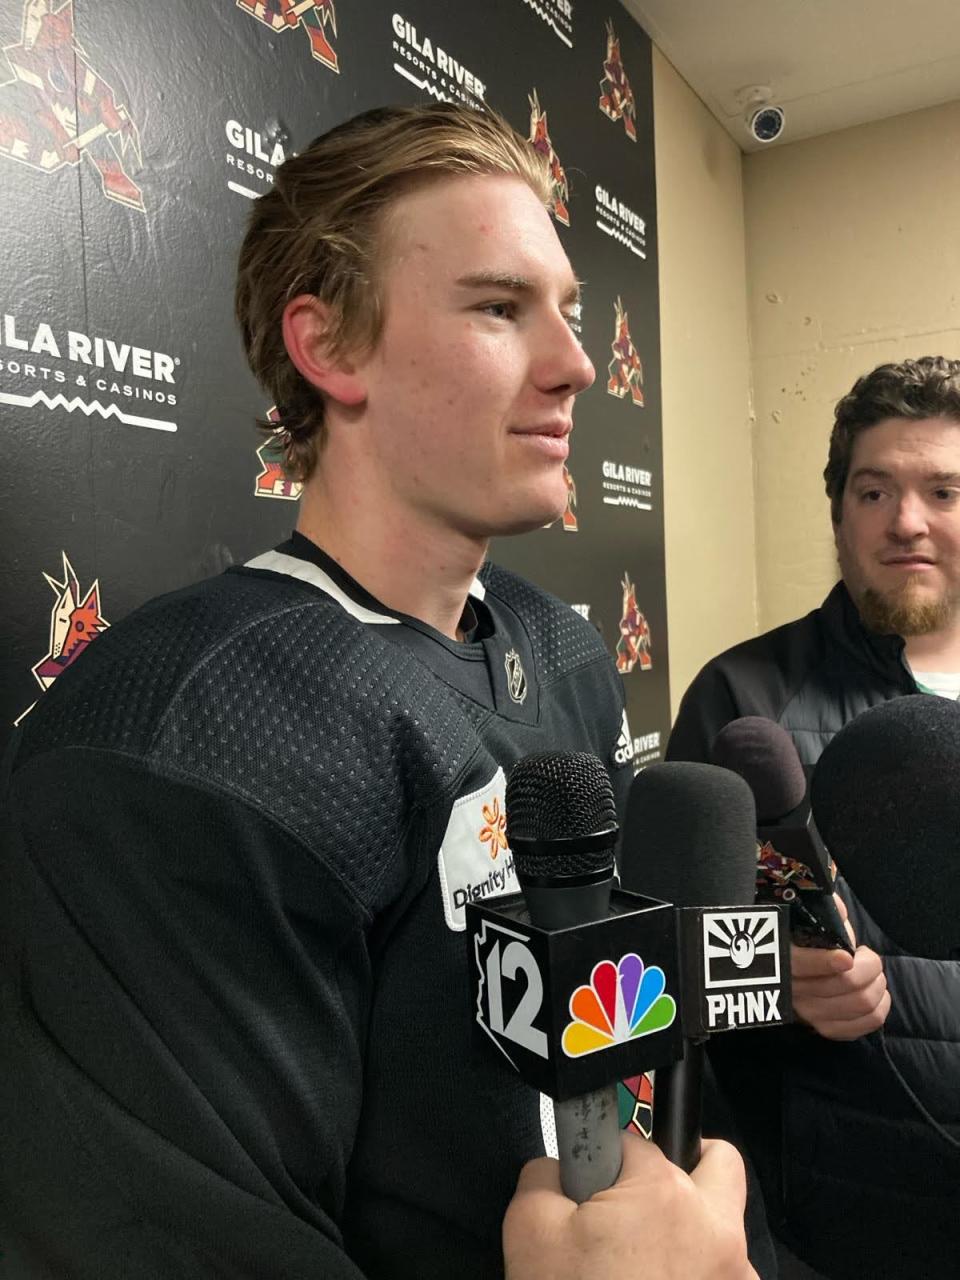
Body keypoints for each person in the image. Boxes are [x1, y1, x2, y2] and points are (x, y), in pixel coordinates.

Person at [0, 103, 756, 1280]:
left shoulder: (563, 648)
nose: (571, 365)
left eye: (568, 311)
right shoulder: (181, 730)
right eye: (499, 307)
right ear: (330, 347)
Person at [668, 356, 960, 1280]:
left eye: (944, 490)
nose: (907, 522)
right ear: (838, 511)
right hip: (838, 1228)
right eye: (874, 491)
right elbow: (657, 956)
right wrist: (774, 980)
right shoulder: (743, 699)